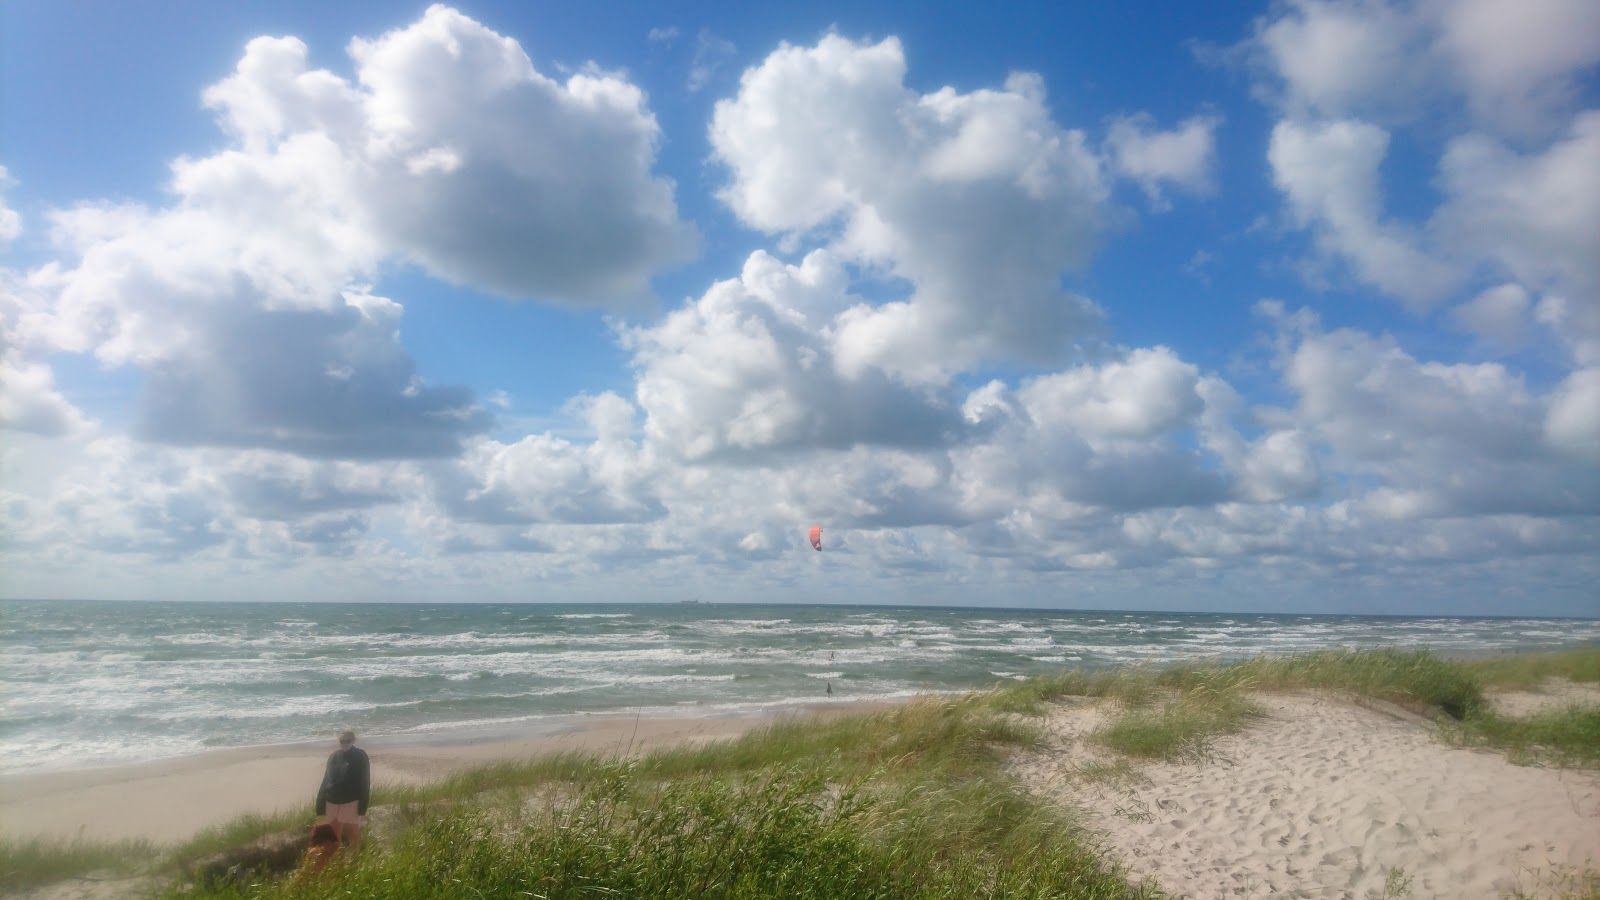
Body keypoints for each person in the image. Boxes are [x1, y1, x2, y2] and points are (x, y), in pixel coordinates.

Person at [314, 729, 370, 851]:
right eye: (341, 741)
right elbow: (326, 780)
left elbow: (365, 783)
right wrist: (320, 804)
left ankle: (355, 863)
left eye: (347, 741)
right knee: (334, 838)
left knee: (353, 836)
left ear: (354, 740)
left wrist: (362, 809)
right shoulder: (333, 756)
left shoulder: (360, 756)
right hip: (331, 802)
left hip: (350, 802)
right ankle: (338, 865)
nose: (344, 743)